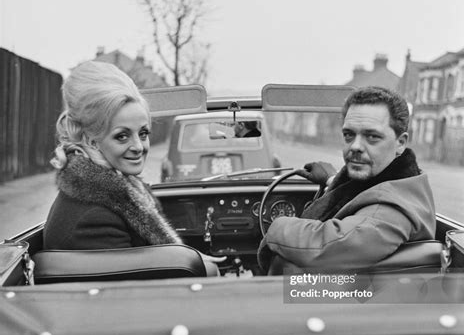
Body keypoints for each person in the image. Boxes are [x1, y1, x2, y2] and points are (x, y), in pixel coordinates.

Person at [43, 61, 223, 270]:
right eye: (122, 136)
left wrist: (189, 256)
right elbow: (132, 293)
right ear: (93, 141)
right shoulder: (93, 220)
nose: (138, 147)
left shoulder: (107, 194)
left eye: (143, 133)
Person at [258, 86, 436, 273]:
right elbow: (366, 192)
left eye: (372, 137)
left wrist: (277, 226)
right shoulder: (400, 184)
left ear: (400, 143)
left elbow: (327, 245)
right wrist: (332, 180)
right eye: (349, 135)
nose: (356, 146)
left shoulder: (391, 211)